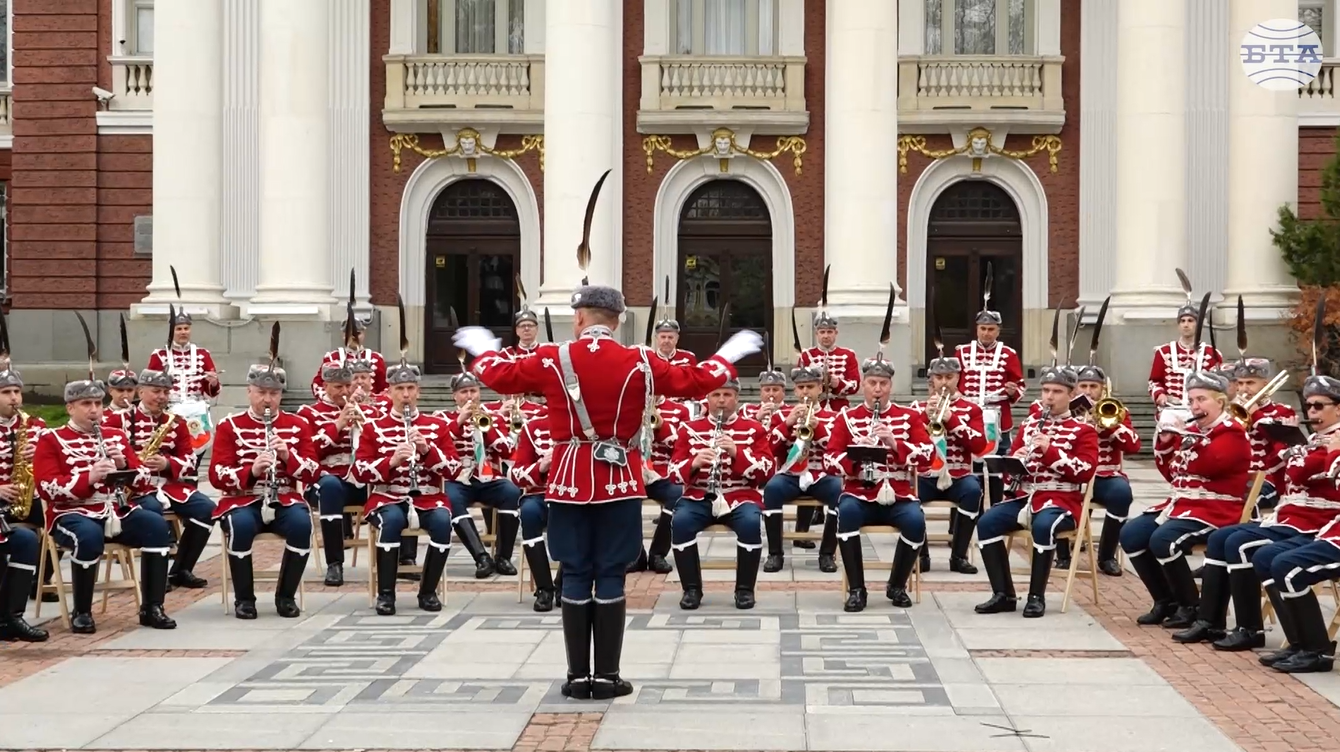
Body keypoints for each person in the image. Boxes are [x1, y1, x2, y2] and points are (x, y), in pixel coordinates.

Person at [454, 281, 755, 701]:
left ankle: (578, 677)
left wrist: (484, 347)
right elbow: (695, 381)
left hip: (567, 479)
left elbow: (498, 376)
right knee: (611, 573)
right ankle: (609, 676)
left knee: (576, 571)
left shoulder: (553, 357)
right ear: (618, 321)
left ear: (579, 319)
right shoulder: (642, 360)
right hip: (620, 481)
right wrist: (727, 356)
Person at [1173, 374, 1340, 651]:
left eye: (1318, 406)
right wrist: (1285, 441)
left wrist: (1296, 451)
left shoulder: (1333, 441)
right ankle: (1210, 620)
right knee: (1220, 540)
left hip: (1312, 522)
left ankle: (1251, 628)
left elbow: (1300, 472)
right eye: (1308, 405)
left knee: (1242, 546)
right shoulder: (1317, 439)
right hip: (1290, 516)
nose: (1311, 412)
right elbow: (1281, 472)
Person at [34, 375, 176, 633]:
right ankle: (83, 611)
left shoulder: (115, 436)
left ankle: (153, 608)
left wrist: (124, 466)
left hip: (114, 508)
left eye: (98, 403)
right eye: (86, 404)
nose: (94, 410)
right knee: (88, 536)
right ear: (70, 408)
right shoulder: (52, 439)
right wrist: (88, 477)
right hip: (71, 511)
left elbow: (143, 481)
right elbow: (46, 486)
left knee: (156, 526)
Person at [1122, 371, 1249, 629]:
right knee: (1131, 534)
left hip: (1215, 509)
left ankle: (1190, 604)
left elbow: (1208, 466)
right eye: (1191, 401)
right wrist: (1167, 442)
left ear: (1220, 402)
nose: (1195, 407)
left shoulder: (1231, 432)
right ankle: (1165, 600)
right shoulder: (1193, 432)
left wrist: (1190, 442)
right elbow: (1172, 472)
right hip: (1182, 506)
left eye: (1201, 399)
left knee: (1163, 540)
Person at [974, 366, 1098, 618]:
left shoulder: (1083, 430)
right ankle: (1003, 594)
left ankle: (1036, 597)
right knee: (986, 522)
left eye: (1056, 391)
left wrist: (1050, 451)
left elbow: (1084, 471)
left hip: (1062, 499)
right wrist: (1015, 460)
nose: (1049, 397)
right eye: (1045, 391)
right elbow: (1013, 472)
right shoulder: (1031, 424)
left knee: (1044, 527)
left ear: (1071, 394)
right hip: (1026, 496)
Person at [210, 363, 320, 620]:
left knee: (302, 525)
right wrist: (252, 470)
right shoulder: (230, 426)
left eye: (273, 393)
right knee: (240, 526)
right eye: (261, 392)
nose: (267, 399)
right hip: (243, 498)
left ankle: (285, 596)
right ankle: (245, 599)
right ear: (249, 391)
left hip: (283, 495)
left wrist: (287, 456)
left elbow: (313, 471)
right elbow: (217, 475)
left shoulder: (298, 424)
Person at [826, 357, 934, 612]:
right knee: (847, 514)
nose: (877, 389)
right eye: (872, 383)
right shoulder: (847, 417)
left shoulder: (908, 417)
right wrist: (857, 459)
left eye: (883, 383)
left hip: (897, 492)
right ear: (863, 384)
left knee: (916, 522)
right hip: (859, 491)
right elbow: (830, 458)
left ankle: (896, 585)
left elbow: (928, 456)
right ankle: (857, 589)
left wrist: (896, 443)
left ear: (890, 386)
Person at [351, 362, 460, 615]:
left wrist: (427, 451)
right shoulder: (373, 427)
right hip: (387, 496)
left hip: (428, 498)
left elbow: (454, 469)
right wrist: (391, 461)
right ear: (389, 392)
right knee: (391, 523)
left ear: (419, 391)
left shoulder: (436, 426)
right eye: (400, 388)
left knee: (443, 522)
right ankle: (386, 595)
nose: (406, 395)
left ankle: (428, 591)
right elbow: (359, 472)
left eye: (411, 388)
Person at [107, 368, 217, 589]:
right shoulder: (117, 419)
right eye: (156, 391)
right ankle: (156, 576)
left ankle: (181, 569)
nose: (162, 397)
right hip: (133, 487)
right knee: (151, 511)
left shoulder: (175, 422)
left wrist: (168, 464)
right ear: (141, 391)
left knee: (207, 509)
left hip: (168, 485)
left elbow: (189, 460)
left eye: (166, 392)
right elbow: (108, 455)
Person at [669, 379, 774, 610]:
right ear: (707, 399)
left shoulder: (754, 429)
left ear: (737, 399)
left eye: (727, 395)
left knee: (749, 523)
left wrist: (737, 453)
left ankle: (745, 590)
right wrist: (694, 463)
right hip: (700, 495)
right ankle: (691, 589)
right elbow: (673, 472)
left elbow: (767, 470)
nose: (721, 400)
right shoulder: (689, 429)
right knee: (681, 522)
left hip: (740, 495)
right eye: (716, 394)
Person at [910, 354, 989, 575]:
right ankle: (921, 554)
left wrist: (952, 420)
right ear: (931, 380)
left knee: (974, 491)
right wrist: (926, 419)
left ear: (958, 378)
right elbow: (909, 444)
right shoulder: (917, 408)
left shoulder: (971, 409)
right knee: (909, 496)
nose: (944, 382)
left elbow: (979, 445)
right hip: (927, 474)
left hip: (958, 475)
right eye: (939, 377)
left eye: (949, 377)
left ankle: (958, 555)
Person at [437, 372, 521, 578]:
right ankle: (481, 557)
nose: (469, 396)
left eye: (473, 391)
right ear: (454, 396)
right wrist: (459, 422)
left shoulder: (494, 417)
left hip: (486, 476)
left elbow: (507, 449)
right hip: (458, 477)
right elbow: (437, 444)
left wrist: (487, 428)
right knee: (450, 498)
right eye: (464, 392)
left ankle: (503, 557)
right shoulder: (442, 417)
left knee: (512, 492)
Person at [762, 366, 841, 572]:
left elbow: (836, 449)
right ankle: (775, 553)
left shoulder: (833, 417)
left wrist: (819, 428)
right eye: (801, 387)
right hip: (790, 474)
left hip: (819, 474)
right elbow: (767, 448)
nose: (805, 392)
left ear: (820, 389)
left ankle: (827, 554)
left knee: (840, 491)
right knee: (771, 489)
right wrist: (787, 425)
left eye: (810, 387)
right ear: (795, 391)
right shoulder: (781, 416)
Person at [297, 362, 368, 586]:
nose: (345, 392)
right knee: (330, 486)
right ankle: (334, 564)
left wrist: (365, 429)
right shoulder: (308, 413)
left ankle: (400, 558)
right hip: (324, 483)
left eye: (348, 386)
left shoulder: (364, 411)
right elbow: (310, 451)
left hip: (357, 479)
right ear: (325, 386)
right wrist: (338, 425)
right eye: (338, 387)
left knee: (392, 485)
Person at [955, 308, 1026, 507]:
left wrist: (1012, 391)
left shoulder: (1008, 354)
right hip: (969, 418)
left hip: (999, 418)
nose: (986, 333)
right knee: (968, 466)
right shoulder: (962, 352)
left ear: (998, 331)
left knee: (997, 465)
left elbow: (1020, 385)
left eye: (991, 329)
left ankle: (997, 507)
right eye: (983, 328)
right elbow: (954, 381)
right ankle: (969, 511)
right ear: (977, 329)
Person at [1073, 365, 1139, 576]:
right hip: (1073, 473)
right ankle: (1065, 554)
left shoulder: (1117, 411)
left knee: (1122, 494)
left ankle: (1106, 555)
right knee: (1064, 495)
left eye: (1093, 386)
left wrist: (1109, 426)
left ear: (1102, 389)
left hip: (1105, 474)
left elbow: (1133, 446)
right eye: (1083, 386)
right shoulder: (1067, 412)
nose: (1088, 391)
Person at [0, 363, 49, 642]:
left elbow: (55, 465)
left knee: (52, 523)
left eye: (17, 391)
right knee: (23, 539)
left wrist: (39, 455)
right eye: (6, 392)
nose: (14, 398)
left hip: (24, 499)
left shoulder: (34, 425)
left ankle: (14, 615)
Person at [627, 394, 689, 574]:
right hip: (633, 470)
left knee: (678, 495)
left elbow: (682, 447)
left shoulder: (679, 411)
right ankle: (635, 555)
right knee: (625, 499)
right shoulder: (626, 405)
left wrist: (662, 426)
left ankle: (658, 554)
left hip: (663, 473)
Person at [510, 404, 559, 611]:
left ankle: (565, 584)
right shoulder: (533, 428)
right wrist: (541, 466)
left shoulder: (586, 426)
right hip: (539, 494)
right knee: (528, 512)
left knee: (576, 515)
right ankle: (545, 588)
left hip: (573, 495)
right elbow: (516, 474)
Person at [1233, 358, 1296, 510]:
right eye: (1240, 383)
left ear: (1265, 385)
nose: (1244, 389)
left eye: (1250, 383)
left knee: (1248, 504)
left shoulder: (1282, 411)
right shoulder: (1232, 411)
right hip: (1240, 476)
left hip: (1268, 478)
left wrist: (1255, 414)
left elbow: (1279, 442)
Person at [1147, 302, 1223, 415]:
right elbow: (1155, 381)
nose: (1186, 325)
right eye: (1182, 321)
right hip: (1170, 409)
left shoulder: (1212, 353)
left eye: (1190, 321)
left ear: (1198, 324)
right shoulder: (1163, 352)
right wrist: (1160, 394)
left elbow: (1218, 385)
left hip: (1201, 412)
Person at [147, 309, 222, 402]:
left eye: (186, 328)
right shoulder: (159, 355)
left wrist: (214, 383)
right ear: (171, 331)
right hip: (168, 407)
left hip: (196, 407)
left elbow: (212, 392)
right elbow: (150, 387)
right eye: (179, 329)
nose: (183, 332)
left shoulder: (203, 354)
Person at [310, 314, 387, 400]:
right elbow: (317, 384)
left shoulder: (376, 358)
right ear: (343, 335)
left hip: (370, 405)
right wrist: (329, 399)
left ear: (364, 334)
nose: (354, 338)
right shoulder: (332, 357)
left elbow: (385, 387)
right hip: (340, 406)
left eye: (358, 333)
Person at [798, 312, 860, 411]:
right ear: (816, 334)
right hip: (814, 407)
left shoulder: (848, 355)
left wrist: (838, 384)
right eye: (822, 332)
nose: (826, 336)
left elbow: (855, 385)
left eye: (829, 332)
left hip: (839, 407)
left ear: (836, 333)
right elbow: (799, 385)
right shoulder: (806, 355)